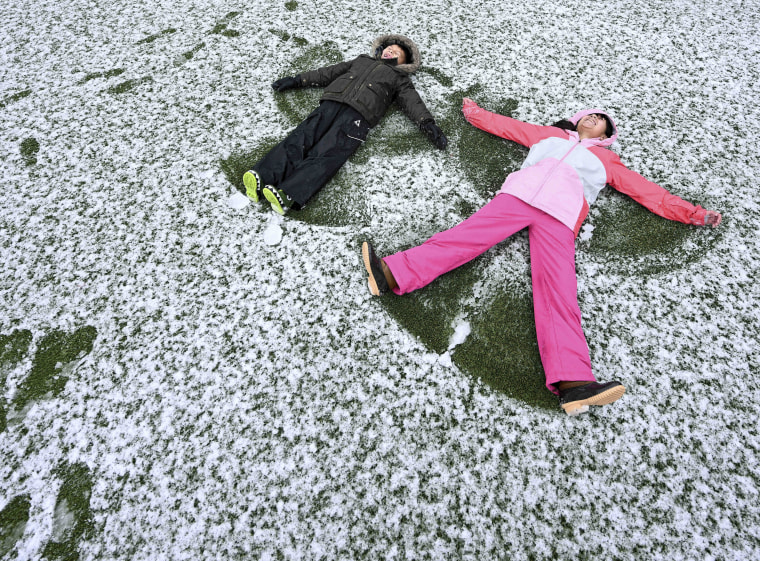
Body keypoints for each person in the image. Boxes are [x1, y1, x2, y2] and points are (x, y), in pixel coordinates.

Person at [361, 98, 722, 416]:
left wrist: (692, 213)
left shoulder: (609, 161)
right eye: (591, 115)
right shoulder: (548, 135)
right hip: (518, 197)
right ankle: (391, 274)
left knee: (558, 290)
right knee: (463, 238)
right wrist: (473, 112)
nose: (595, 120)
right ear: (578, 119)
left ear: (607, 133)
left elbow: (648, 192)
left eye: (603, 120)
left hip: (562, 216)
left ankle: (574, 382)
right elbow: (507, 127)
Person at [243, 34, 448, 215]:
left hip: (358, 118)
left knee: (327, 153)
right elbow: (329, 73)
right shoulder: (361, 60)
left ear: (404, 62)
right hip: (330, 104)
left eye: (397, 53)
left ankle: (288, 193)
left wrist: (427, 123)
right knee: (300, 138)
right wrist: (298, 80)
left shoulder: (399, 78)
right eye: (389, 48)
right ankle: (262, 176)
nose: (391, 51)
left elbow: (412, 101)